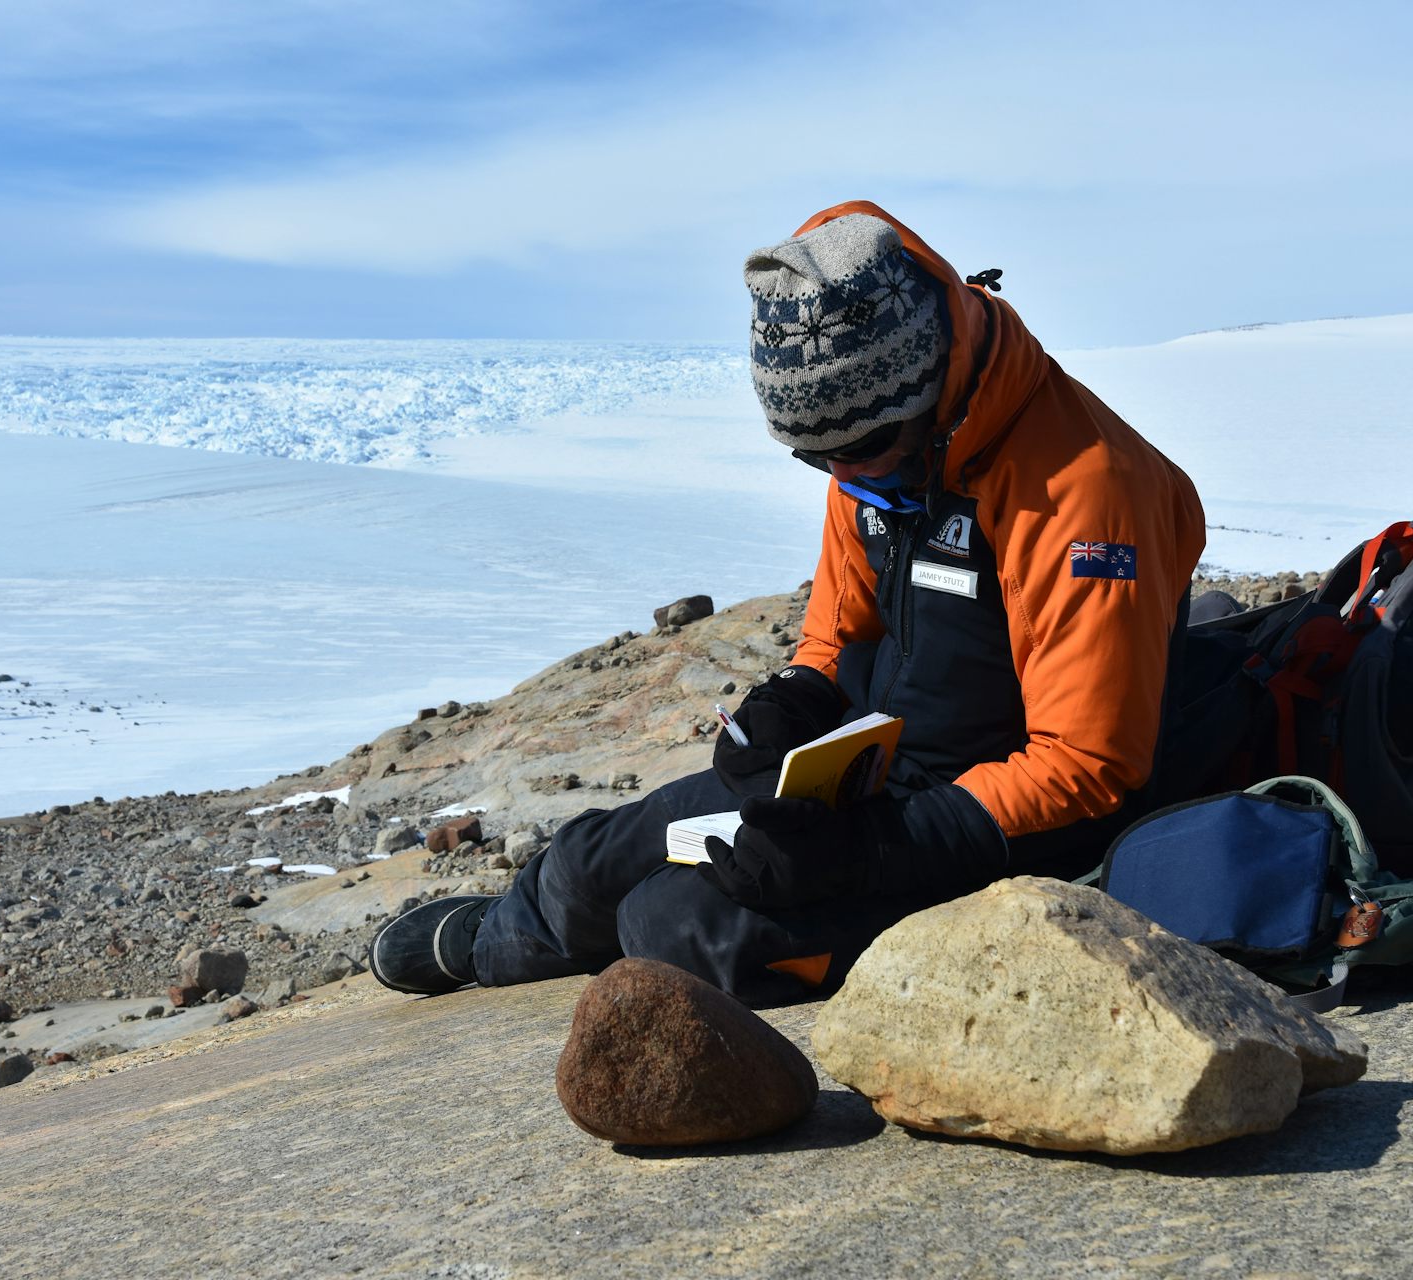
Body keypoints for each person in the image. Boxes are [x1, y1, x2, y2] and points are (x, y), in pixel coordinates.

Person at [372, 201, 1206, 1005]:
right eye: (820, 460)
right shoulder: (883, 453)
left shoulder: (1084, 491)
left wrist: (874, 850)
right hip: (873, 775)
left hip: (1000, 821)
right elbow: (838, 635)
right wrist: (792, 702)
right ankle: (498, 946)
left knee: (677, 926)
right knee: (597, 855)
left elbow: (1087, 765)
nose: (846, 478)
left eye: (863, 450)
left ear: (929, 387)